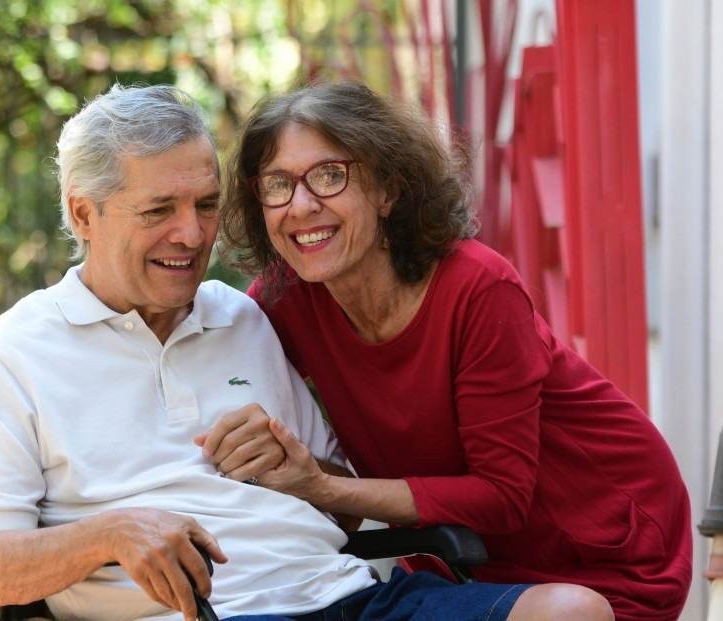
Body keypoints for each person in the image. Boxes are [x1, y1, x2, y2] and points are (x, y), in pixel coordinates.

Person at [0, 84, 598, 621]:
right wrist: (112, 532)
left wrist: (302, 467)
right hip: (218, 610)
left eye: (206, 204)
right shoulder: (10, 355)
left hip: (351, 595)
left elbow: (339, 503)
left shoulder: (246, 317)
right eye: (158, 210)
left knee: (572, 612)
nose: (192, 232)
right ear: (84, 214)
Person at [215, 81, 692, 621]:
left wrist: (325, 488)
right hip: (460, 558)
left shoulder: (478, 287)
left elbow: (501, 496)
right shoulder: (285, 300)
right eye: (277, 183)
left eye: (330, 175)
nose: (301, 206)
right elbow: (199, 351)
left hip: (602, 544)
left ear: (387, 189)